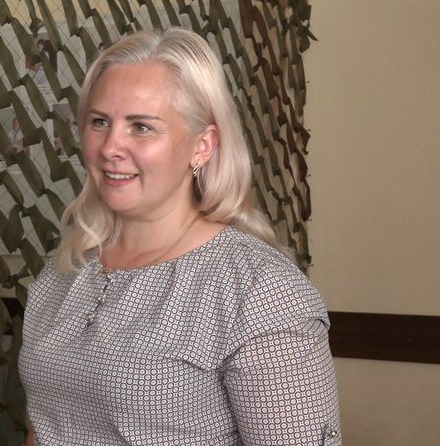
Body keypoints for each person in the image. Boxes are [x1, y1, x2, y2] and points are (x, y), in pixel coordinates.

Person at [18, 27, 341, 445]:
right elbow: (44, 426)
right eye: (100, 122)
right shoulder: (67, 268)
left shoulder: (260, 291)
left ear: (202, 146)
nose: (110, 146)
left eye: (141, 127)